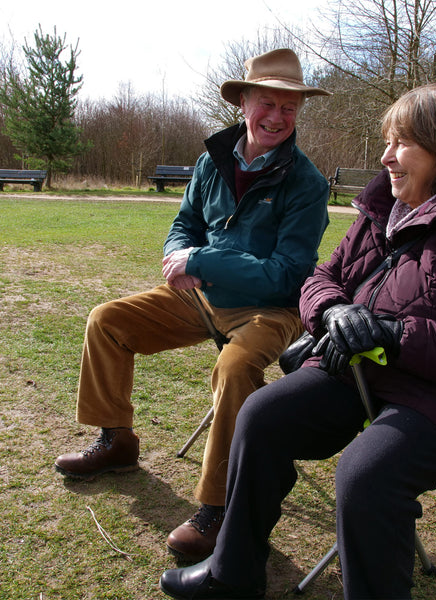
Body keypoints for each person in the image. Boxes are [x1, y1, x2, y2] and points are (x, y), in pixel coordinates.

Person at [158, 84, 436, 600]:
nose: (385, 157)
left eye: (401, 142)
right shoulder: (381, 209)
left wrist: (392, 334)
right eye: (386, 142)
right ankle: (232, 573)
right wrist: (332, 310)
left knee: (367, 474)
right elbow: (323, 276)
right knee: (261, 414)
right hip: (363, 370)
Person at [54, 48, 331, 563]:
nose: (276, 117)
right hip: (199, 297)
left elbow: (287, 274)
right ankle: (116, 440)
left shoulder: (307, 184)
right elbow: (183, 224)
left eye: (289, 108)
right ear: (242, 102)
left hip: (269, 310)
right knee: (107, 321)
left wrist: (204, 259)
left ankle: (219, 505)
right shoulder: (211, 161)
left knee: (238, 362)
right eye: (266, 103)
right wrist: (176, 256)